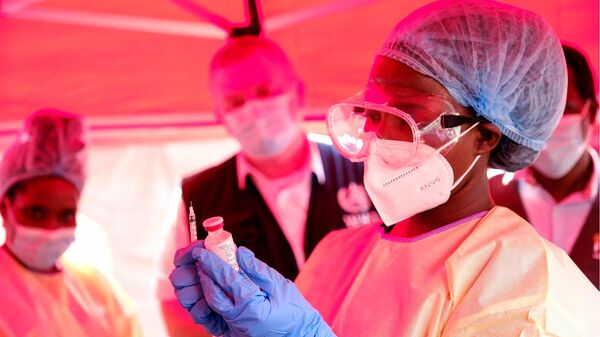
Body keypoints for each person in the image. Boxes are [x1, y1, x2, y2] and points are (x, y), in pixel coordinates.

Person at [169, 0, 600, 336]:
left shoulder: (527, 282)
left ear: (485, 136)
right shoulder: (338, 253)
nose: (378, 129)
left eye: (407, 113)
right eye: (374, 107)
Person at [157, 35, 379, 336]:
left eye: (264, 91)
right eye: (236, 101)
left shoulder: (364, 166)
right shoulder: (197, 197)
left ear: (297, 94)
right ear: (219, 115)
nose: (253, 109)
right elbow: (172, 303)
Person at [0, 110, 142, 337]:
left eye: (66, 215)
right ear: (5, 208)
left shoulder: (97, 289)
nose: (51, 228)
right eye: (36, 212)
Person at [490, 43, 599, 289]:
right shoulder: (489, 199)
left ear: (591, 112)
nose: (548, 124)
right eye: (536, 110)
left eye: (563, 110)